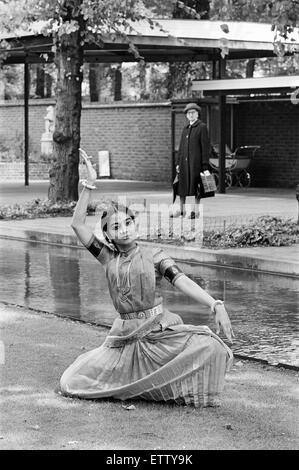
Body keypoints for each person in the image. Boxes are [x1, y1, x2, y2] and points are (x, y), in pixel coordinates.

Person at [59, 149, 234, 407]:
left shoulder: (154, 255)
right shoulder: (107, 257)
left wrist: (214, 304)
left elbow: (181, 280)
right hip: (125, 338)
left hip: (158, 332)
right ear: (108, 236)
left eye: (128, 223)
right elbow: (78, 225)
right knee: (73, 382)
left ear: (136, 225)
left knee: (210, 346)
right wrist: (89, 184)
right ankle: (142, 384)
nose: (124, 229)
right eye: (116, 227)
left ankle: (158, 385)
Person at [172, 102, 211, 219]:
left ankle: (196, 211)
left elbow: (205, 147)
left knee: (197, 187)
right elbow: (181, 147)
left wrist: (205, 164)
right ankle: (181, 210)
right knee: (181, 187)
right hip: (184, 164)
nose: (191, 115)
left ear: (197, 114)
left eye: (193, 113)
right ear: (186, 115)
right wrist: (178, 163)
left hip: (196, 164)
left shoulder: (202, 127)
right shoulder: (185, 128)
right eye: (188, 113)